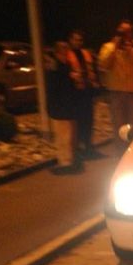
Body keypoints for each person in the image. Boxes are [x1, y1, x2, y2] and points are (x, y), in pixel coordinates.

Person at [97, 20, 133, 148]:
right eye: (122, 31)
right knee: (118, 124)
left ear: (131, 33)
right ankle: (120, 150)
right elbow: (103, 64)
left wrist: (131, 51)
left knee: (131, 124)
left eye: (127, 31)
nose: (125, 34)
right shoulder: (108, 47)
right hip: (116, 92)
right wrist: (114, 48)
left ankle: (130, 149)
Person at [46, 41, 82, 174]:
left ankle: (66, 160)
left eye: (66, 52)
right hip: (60, 106)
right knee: (63, 135)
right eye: (64, 52)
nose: (66, 54)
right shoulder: (55, 67)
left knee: (66, 135)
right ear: (58, 53)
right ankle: (65, 162)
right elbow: (54, 88)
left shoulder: (64, 66)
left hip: (65, 106)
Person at [65, 29, 101, 159]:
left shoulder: (86, 54)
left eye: (80, 40)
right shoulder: (67, 55)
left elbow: (93, 71)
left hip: (87, 92)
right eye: (75, 39)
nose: (78, 42)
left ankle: (88, 146)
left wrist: (96, 87)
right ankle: (79, 148)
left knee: (89, 121)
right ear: (70, 40)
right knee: (78, 122)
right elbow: (65, 74)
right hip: (75, 94)